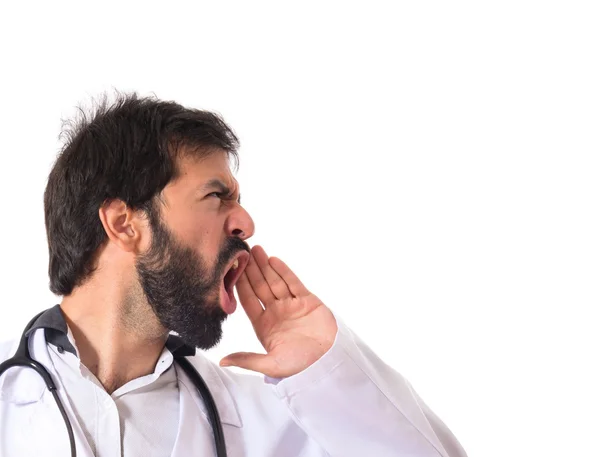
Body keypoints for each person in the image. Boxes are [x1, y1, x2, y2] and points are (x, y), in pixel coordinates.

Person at [0, 93, 467, 457]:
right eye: (216, 196)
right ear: (124, 223)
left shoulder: (266, 415)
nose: (245, 223)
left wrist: (328, 372)